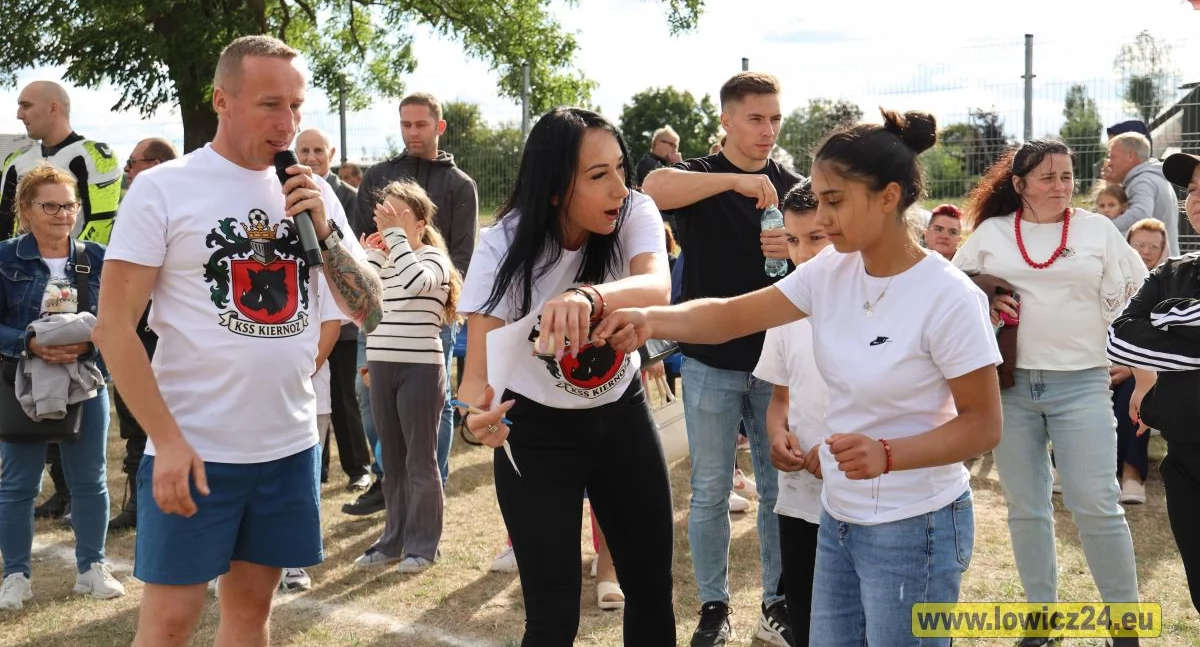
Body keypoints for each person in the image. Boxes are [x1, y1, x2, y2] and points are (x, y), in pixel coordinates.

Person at [598, 108, 1004, 647]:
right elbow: (727, 315)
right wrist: (650, 318)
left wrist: (888, 453)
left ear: (888, 198)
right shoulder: (830, 272)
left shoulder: (950, 297)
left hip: (917, 526)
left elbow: (983, 426)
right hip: (837, 518)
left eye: (835, 200)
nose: (824, 216)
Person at [92, 35, 381, 647]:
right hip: (194, 450)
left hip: (288, 446)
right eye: (270, 105)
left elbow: (368, 310)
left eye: (297, 106)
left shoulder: (316, 192)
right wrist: (165, 442)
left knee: (252, 613)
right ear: (223, 101)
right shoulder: (165, 188)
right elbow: (113, 328)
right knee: (169, 625)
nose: (288, 123)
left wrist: (326, 236)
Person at [457, 107, 675, 646]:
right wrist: (471, 422)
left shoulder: (633, 212)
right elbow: (476, 377)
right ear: (555, 189)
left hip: (622, 420)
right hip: (535, 437)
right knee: (551, 618)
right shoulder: (504, 242)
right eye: (599, 175)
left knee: (651, 592)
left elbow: (656, 284)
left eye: (621, 168)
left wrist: (586, 295)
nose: (620, 188)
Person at [953, 139, 1146, 647]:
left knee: (1096, 504)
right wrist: (983, 293)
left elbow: (1138, 293)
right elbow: (950, 291)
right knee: (1027, 507)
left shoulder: (1097, 230)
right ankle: (1041, 620)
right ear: (1019, 185)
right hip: (1008, 387)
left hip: (1082, 383)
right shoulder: (991, 233)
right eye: (1047, 178)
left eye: (1067, 176)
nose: (1060, 186)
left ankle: (1124, 628)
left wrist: (1131, 362)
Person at [641, 71, 800, 647]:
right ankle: (714, 607)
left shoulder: (793, 185)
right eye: (756, 118)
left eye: (775, 118)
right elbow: (653, 189)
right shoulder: (701, 176)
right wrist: (736, 181)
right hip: (709, 360)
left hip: (777, 363)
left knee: (779, 490)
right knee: (709, 489)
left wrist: (798, 248)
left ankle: (777, 602)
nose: (768, 130)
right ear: (727, 120)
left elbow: (827, 258)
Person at [0, 163, 123, 610]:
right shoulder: (4, 257)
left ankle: (91, 569)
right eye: (49, 205)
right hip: (22, 382)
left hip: (86, 380)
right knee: (18, 484)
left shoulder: (99, 256)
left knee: (90, 480)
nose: (61, 214)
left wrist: (86, 352)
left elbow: (119, 320)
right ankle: (15, 575)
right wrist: (27, 343)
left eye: (68, 205)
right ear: (26, 210)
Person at [2, 80, 122, 521]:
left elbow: (104, 223)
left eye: (25, 105)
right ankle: (60, 487)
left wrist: (70, 276)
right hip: (22, 293)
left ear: (54, 107)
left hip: (82, 286)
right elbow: (5, 227)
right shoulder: (16, 161)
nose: (19, 114)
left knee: (84, 389)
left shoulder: (96, 153)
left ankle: (82, 492)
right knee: (32, 394)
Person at [354, 91, 479, 493]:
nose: (412, 132)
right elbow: (363, 243)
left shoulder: (461, 185)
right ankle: (386, 481)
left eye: (421, 124)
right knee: (369, 396)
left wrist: (433, 296)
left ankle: (430, 483)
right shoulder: (376, 177)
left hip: (430, 315)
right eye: (405, 124)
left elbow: (461, 255)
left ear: (439, 127)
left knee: (435, 407)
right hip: (378, 315)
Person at [1107, 150, 1200, 614]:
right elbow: (1120, 340)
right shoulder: (1171, 273)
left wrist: (1168, 320)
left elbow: (1144, 336)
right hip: (1185, 462)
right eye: (1195, 190)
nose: (1196, 199)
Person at [354, 180, 459, 574]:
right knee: (391, 462)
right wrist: (370, 254)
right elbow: (364, 303)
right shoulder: (388, 255)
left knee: (420, 460)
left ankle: (423, 545)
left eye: (398, 216)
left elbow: (417, 284)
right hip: (382, 368)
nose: (389, 223)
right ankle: (392, 540)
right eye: (385, 215)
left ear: (420, 222)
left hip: (420, 369)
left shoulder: (433, 258)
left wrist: (395, 240)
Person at [752, 181, 830, 647]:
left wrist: (840, 449)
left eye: (816, 238)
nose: (804, 254)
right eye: (794, 240)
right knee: (803, 612)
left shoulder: (871, 301)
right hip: (799, 496)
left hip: (858, 498)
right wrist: (777, 435)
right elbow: (780, 398)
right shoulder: (784, 304)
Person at [297, 127, 373, 491]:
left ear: (331, 153)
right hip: (306, 316)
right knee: (316, 399)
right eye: (304, 150)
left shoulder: (344, 195)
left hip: (342, 317)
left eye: (317, 150)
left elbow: (353, 253)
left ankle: (357, 466)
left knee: (344, 397)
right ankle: (319, 467)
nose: (310, 157)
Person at [108, 137, 178, 532]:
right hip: (131, 330)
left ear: (155, 164)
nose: (128, 172)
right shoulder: (133, 209)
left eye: (132, 163)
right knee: (133, 421)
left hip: (166, 336)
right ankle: (138, 502)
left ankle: (158, 502)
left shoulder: (184, 207)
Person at [1109, 218, 1171, 507]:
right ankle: (1064, 465)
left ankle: (1132, 474)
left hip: (1149, 368)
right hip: (1104, 363)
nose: (1145, 252)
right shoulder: (1108, 278)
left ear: (1162, 251)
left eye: (1153, 247)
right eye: (1139, 245)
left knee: (1137, 387)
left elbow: (1170, 343)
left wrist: (1132, 366)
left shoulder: (1171, 285)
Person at [1104, 132, 1179, 255]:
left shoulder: (1142, 181)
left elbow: (1140, 214)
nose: (1109, 162)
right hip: (1161, 261)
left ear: (1131, 156)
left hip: (1156, 266)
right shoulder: (1151, 176)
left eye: (1112, 156)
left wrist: (1105, 227)